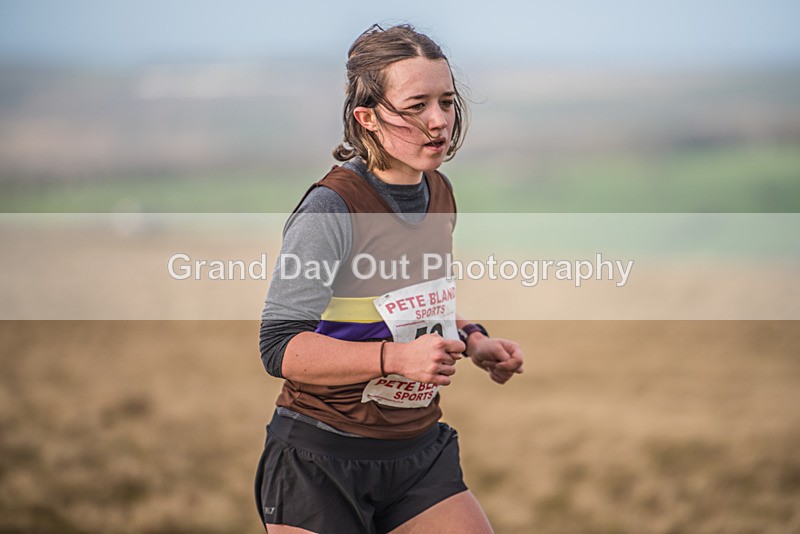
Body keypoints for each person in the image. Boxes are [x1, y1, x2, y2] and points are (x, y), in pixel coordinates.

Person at [255, 23, 524, 534]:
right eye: (416, 105)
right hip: (321, 458)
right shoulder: (331, 209)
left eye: (447, 102)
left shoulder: (439, 192)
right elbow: (278, 347)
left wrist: (473, 339)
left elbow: (410, 305)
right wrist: (396, 360)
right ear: (368, 118)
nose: (438, 121)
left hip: (418, 453)